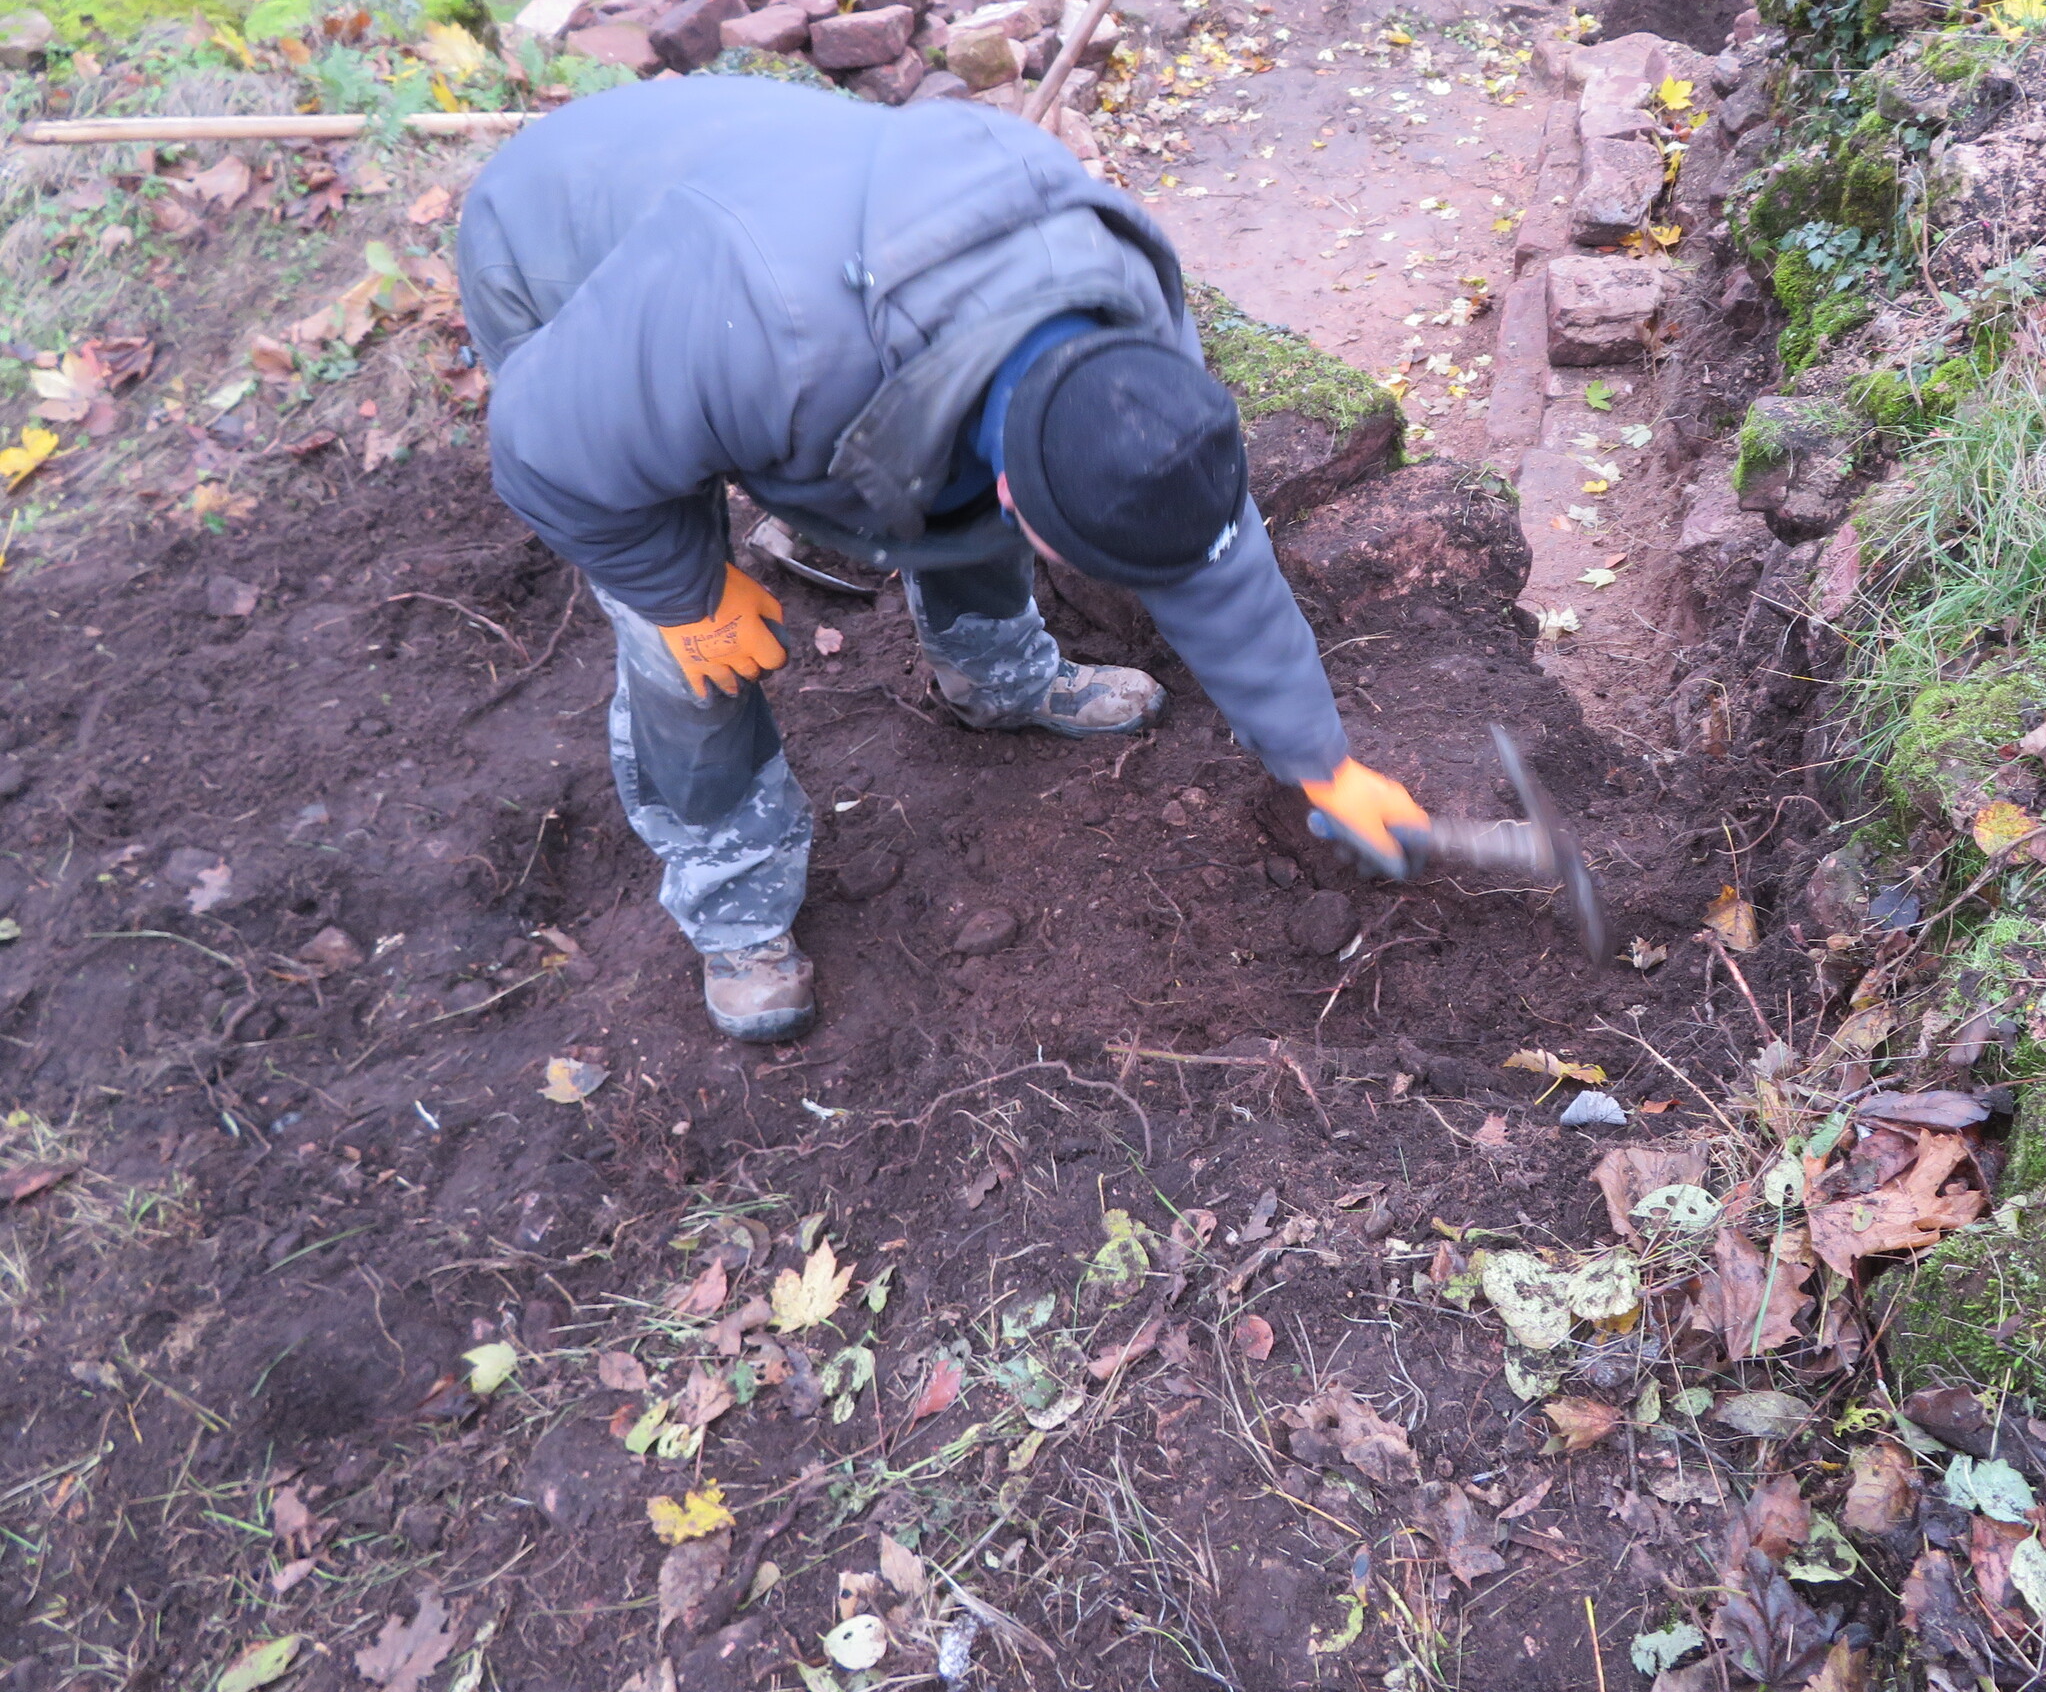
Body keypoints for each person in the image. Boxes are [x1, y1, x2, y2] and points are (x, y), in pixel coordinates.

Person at [460, 76, 1430, 1042]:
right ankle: (735, 901)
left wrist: (1321, 760)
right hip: (576, 249)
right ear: (1017, 490)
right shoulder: (772, 344)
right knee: (688, 645)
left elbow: (1209, 552)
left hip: (796, 239)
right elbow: (547, 451)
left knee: (953, 490)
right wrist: (680, 593)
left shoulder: (1128, 318)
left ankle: (997, 676)